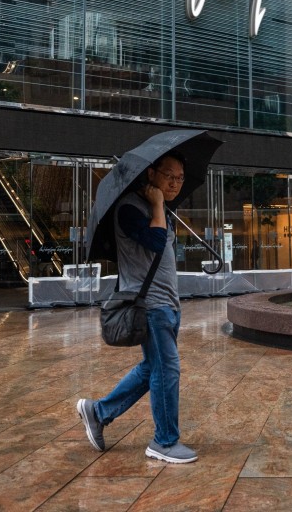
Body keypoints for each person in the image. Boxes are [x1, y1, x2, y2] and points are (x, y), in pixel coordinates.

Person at [76, 153, 197, 464]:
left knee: (151, 369)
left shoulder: (164, 211)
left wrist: (161, 207)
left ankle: (98, 412)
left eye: (180, 178)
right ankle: (164, 442)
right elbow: (155, 244)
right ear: (151, 173)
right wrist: (157, 205)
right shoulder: (130, 207)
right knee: (166, 371)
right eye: (169, 175)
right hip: (151, 306)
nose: (175, 183)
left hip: (168, 304)